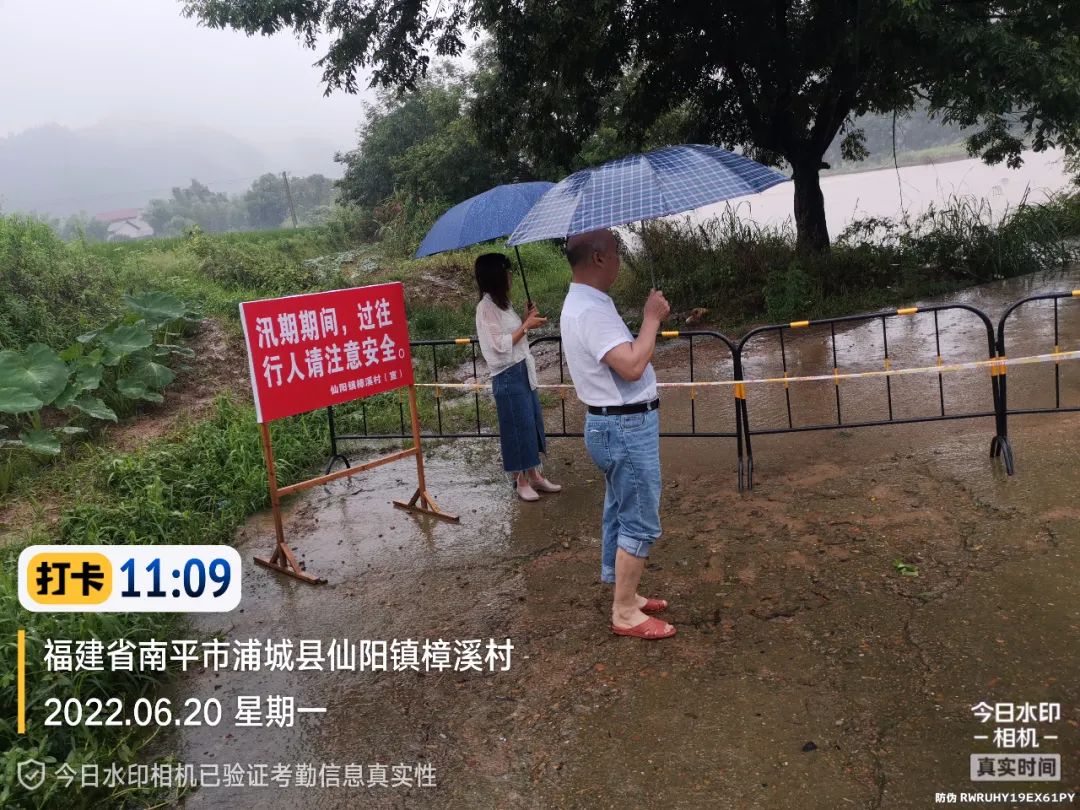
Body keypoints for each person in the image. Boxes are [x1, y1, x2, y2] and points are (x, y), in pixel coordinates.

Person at [559, 229, 675, 640]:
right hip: (624, 426)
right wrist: (651, 319)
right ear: (598, 257)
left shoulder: (588, 302)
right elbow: (631, 365)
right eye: (616, 251)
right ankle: (624, 611)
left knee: (621, 508)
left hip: (614, 423)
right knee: (640, 516)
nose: (619, 259)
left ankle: (625, 591)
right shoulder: (589, 310)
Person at [474, 252, 562, 501]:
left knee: (531, 422)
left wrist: (526, 319)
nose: (511, 276)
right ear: (496, 276)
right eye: (506, 272)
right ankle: (520, 480)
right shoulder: (485, 309)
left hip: (522, 369)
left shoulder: (503, 304)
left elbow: (514, 335)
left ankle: (534, 475)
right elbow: (499, 345)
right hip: (507, 375)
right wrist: (525, 326)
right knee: (515, 426)